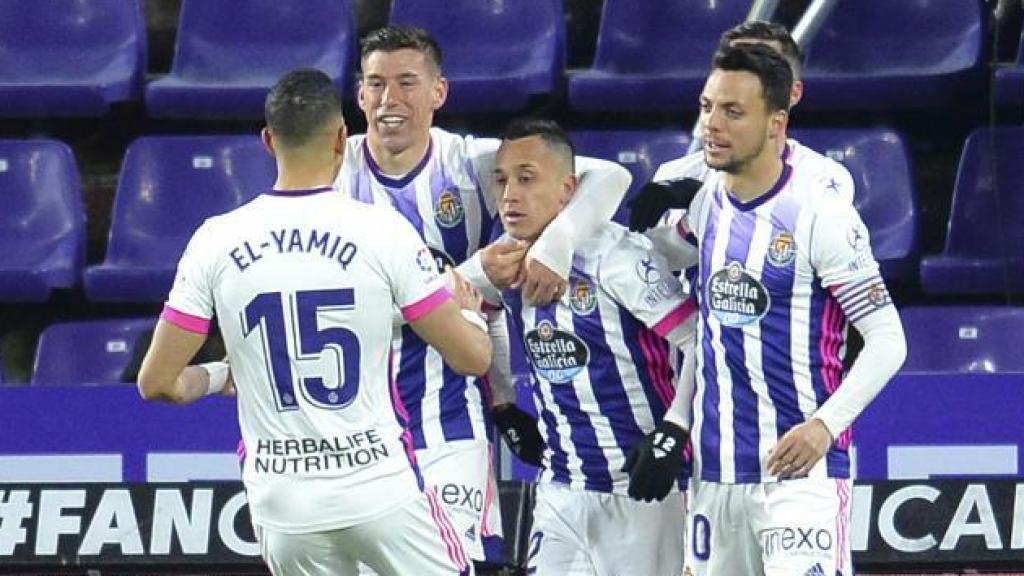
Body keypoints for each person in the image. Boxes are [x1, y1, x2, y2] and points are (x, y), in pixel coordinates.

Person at [137, 68, 492, 576]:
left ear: (267, 140)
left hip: (284, 509)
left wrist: (220, 375)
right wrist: (470, 314)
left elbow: (156, 383)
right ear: (342, 138)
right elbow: (469, 358)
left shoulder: (215, 239)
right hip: (380, 493)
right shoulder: (381, 230)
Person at [334, 25, 632, 565]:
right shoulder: (334, 176)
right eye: (376, 84)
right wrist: (471, 272)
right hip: (354, 429)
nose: (389, 100)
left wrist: (556, 245)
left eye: (406, 82)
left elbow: (607, 177)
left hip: (449, 418)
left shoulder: (469, 165)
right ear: (359, 95)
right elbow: (350, 311)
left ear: (439, 92)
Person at [624, 44, 906, 576]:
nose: (712, 124)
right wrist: (677, 424)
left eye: (733, 112)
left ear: (777, 123)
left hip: (801, 476)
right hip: (716, 475)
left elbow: (889, 340)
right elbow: (704, 331)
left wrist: (824, 426)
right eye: (707, 107)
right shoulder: (706, 204)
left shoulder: (820, 214)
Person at [470, 117, 697, 576]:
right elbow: (486, 312)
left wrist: (674, 431)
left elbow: (702, 344)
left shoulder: (616, 257)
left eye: (527, 179)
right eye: (501, 180)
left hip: (640, 490)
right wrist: (504, 405)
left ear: (568, 190)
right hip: (560, 486)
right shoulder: (506, 259)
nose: (510, 194)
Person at [627, 20, 856, 246]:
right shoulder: (673, 173)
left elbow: (781, 257)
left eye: (764, 67)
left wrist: (698, 198)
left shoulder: (824, 178)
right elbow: (651, 269)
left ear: (792, 93)